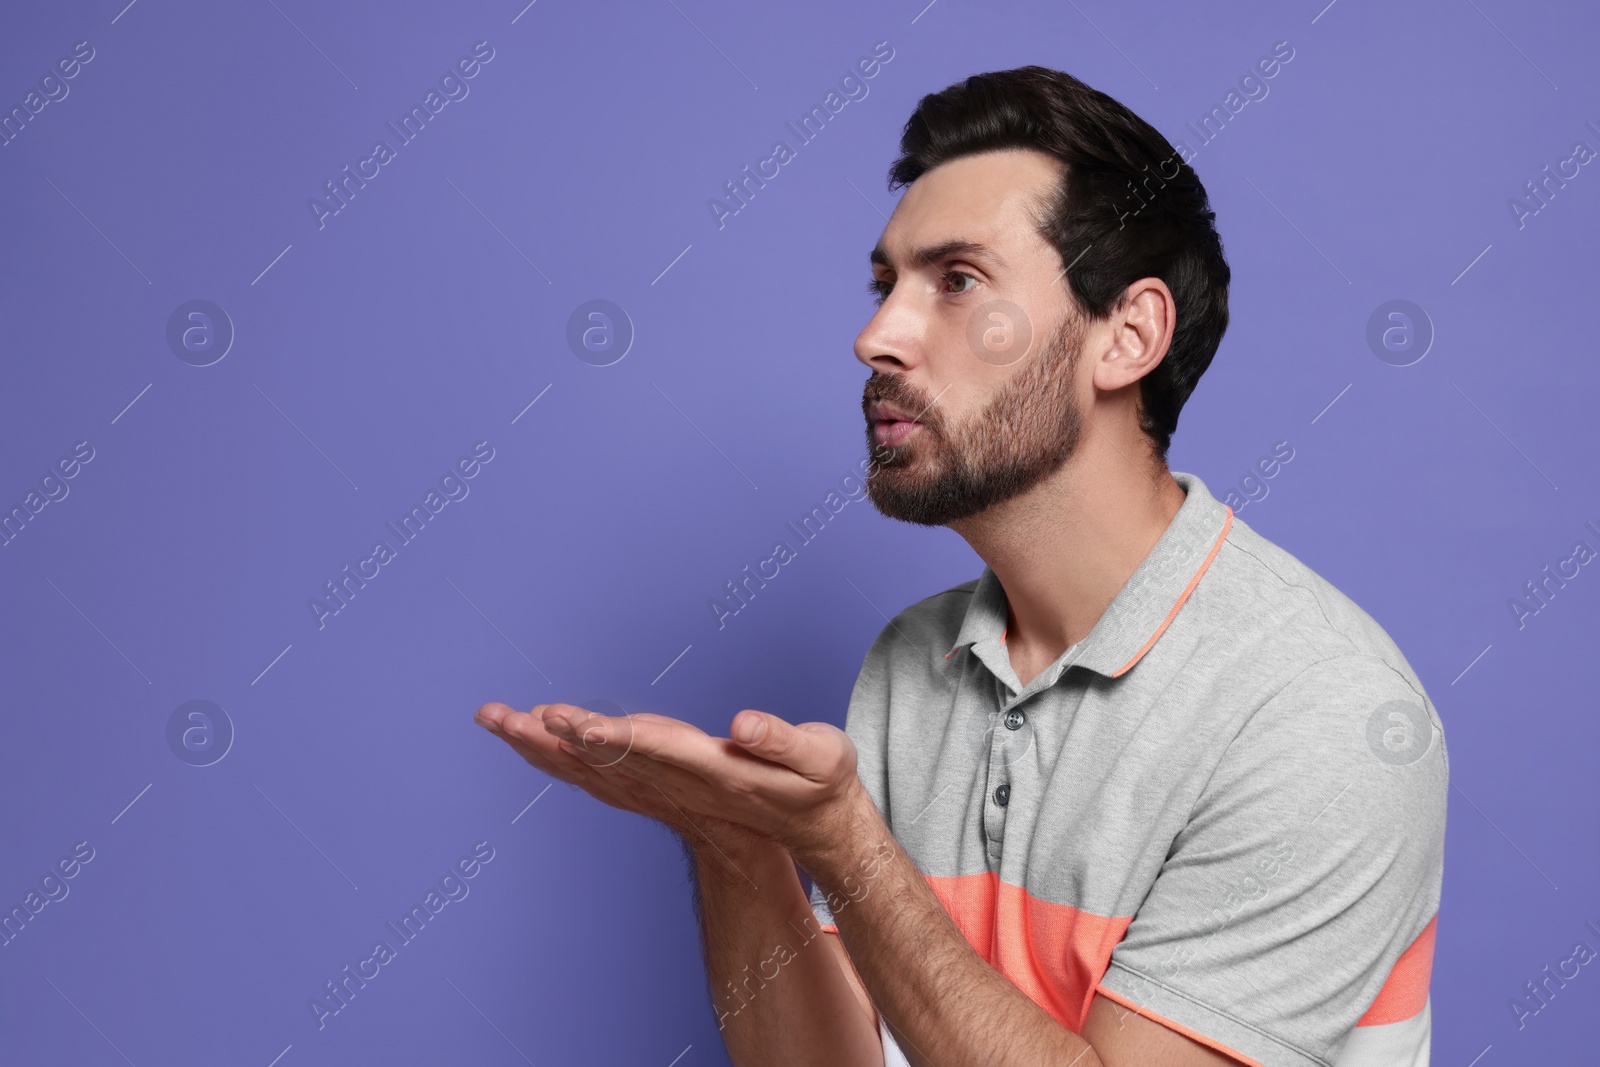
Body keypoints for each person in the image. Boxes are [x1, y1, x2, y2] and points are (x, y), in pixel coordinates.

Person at [475, 65, 1447, 1067]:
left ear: (1127, 335)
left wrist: (847, 843)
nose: (875, 335)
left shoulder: (1322, 712)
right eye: (884, 283)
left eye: (956, 280)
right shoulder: (914, 664)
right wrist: (737, 846)